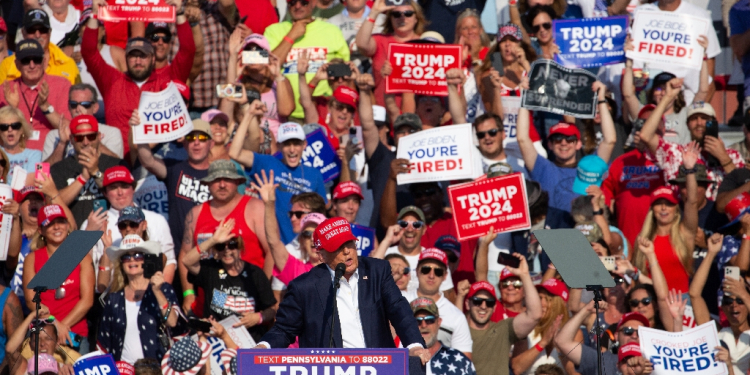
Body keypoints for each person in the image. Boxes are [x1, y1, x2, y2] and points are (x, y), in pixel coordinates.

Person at [255, 217, 431, 364]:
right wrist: (264, 346)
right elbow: (284, 330)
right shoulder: (304, 287)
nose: (347, 252)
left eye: (349, 243)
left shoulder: (377, 271)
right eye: (338, 247)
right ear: (321, 255)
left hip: (378, 367)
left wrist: (414, 346)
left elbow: (399, 310)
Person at [82, 0, 192, 156]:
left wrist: (180, 14)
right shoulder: (112, 80)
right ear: (126, 58)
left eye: (143, 56)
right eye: (133, 56)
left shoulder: (168, 80)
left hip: (155, 164)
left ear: (153, 59)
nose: (138, 61)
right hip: (117, 161)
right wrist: (94, 14)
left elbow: (188, 51)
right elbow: (89, 53)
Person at [179, 159, 270, 316]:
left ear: (237, 181)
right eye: (216, 180)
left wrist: (263, 291)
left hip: (248, 304)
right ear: (207, 184)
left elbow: (272, 251)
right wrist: (188, 294)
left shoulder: (255, 207)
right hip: (210, 308)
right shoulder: (195, 213)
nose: (222, 185)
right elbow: (184, 256)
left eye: (227, 179)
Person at [516, 80, 616, 213]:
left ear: (578, 144)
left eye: (569, 139)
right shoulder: (542, 168)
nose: (564, 143)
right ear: (550, 145)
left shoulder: (590, 167)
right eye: (557, 139)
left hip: (583, 230)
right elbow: (522, 139)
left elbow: (610, 140)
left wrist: (601, 100)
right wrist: (524, 98)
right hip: (555, 232)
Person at [228, 111, 327, 245]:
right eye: (287, 144)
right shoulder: (269, 163)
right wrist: (248, 114)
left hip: (305, 247)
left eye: (296, 143)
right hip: (274, 245)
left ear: (304, 145)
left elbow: (322, 214)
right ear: (279, 146)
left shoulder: (314, 174)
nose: (292, 150)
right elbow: (234, 153)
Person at [639, 80, 744, 200]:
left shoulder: (733, 155)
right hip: (682, 216)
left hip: (719, 217)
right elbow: (645, 136)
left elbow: (743, 188)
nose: (699, 123)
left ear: (714, 123)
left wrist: (723, 158)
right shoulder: (676, 153)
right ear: (687, 124)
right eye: (694, 119)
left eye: (704, 118)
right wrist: (667, 98)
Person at [182, 217, 277, 342]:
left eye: (232, 244)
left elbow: (273, 308)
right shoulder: (210, 268)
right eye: (221, 246)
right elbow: (186, 261)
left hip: (247, 339)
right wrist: (213, 240)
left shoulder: (255, 273)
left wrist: (258, 317)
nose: (227, 250)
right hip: (215, 340)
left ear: (240, 246)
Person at [22, 205, 94, 352]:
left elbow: (87, 300)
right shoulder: (32, 259)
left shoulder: (82, 257)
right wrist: (54, 325)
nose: (56, 227)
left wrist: (62, 327)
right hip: (42, 336)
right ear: (41, 230)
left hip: (74, 334)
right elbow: (31, 301)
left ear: (68, 225)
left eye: (60, 222)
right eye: (50, 223)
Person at [136, 119, 213, 255]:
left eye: (202, 138)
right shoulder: (175, 168)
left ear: (211, 143)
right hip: (177, 253)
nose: (196, 142)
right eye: (190, 137)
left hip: (210, 251)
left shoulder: (217, 176)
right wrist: (139, 128)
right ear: (184, 143)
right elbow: (148, 161)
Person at [98, 235, 179, 363]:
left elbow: (173, 322)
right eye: (126, 256)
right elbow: (104, 344)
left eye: (137, 255)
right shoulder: (114, 299)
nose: (132, 260)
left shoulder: (164, 289)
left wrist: (157, 292)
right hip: (123, 371)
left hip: (157, 369)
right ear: (122, 263)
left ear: (146, 260)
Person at [264, 0, 350, 121]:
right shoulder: (272, 31)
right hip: (286, 113)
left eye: (304, 2)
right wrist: (291, 36)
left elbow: (346, 75)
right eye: (292, 2)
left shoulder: (331, 30)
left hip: (324, 112)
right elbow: (267, 67)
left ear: (313, 3)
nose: (297, 6)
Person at [632, 143, 700, 293]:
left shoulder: (685, 233)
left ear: (676, 209)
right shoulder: (644, 239)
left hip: (682, 304)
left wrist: (689, 170)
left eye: (668, 204)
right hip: (653, 304)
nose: (663, 208)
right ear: (652, 209)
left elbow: (692, 202)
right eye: (659, 204)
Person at [465, 255, 543, 375]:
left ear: (494, 306)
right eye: (477, 301)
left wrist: (525, 275)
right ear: (467, 304)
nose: (483, 306)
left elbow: (535, 315)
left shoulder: (502, 329)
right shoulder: (458, 331)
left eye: (489, 302)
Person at [690, 233, 750, 375]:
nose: (734, 306)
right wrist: (711, 253)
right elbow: (694, 294)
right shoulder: (717, 332)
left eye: (740, 301)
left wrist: (743, 293)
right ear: (722, 306)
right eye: (728, 301)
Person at [50, 114, 125, 226]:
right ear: (71, 139)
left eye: (91, 137)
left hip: (112, 232)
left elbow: (122, 198)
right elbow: (55, 206)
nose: (85, 142)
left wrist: (95, 172)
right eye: (79, 138)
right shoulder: (59, 168)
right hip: (76, 235)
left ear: (99, 137)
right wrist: (82, 178)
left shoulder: (116, 164)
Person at [0, 38, 72, 152]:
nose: (32, 65)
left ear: (44, 61)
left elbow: (69, 129)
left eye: (36, 60)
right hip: (16, 157)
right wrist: (13, 109)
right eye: (26, 61)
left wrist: (46, 107)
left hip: (51, 156)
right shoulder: (5, 90)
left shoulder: (62, 85)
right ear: (17, 64)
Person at [404, 248, 473, 358]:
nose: (431, 275)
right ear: (417, 271)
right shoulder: (399, 301)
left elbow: (464, 362)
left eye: (438, 271)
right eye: (426, 269)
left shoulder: (457, 316)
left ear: (445, 276)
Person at [355, 0, 425, 107]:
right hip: (383, 110)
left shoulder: (426, 43)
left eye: (408, 14)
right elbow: (361, 44)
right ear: (390, 19)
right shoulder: (380, 41)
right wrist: (374, 12)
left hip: (418, 111)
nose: (402, 18)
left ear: (416, 18)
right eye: (396, 14)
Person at [371, 206, 455, 294]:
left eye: (416, 225)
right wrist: (387, 240)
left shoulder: (435, 258)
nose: (410, 229)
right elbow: (369, 280)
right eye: (404, 224)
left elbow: (448, 297)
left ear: (424, 230)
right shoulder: (383, 253)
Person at [42, 83, 124, 164]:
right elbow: (41, 172)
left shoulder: (111, 132)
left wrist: (95, 139)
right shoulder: (54, 135)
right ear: (69, 107)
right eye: (73, 105)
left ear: (95, 108)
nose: (78, 109)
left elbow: (117, 165)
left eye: (85, 105)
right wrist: (62, 144)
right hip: (66, 176)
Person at [512, 279, 579, 375]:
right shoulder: (527, 329)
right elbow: (516, 368)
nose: (541, 303)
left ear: (561, 303)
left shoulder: (574, 333)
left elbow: (573, 372)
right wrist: (543, 342)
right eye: (539, 298)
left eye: (548, 299)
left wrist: (561, 347)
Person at [556, 306, 649, 375]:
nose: (634, 336)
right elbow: (562, 341)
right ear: (616, 336)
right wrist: (586, 310)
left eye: (640, 332)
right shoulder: (603, 359)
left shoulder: (656, 365)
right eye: (628, 331)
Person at [0, 9, 79, 85]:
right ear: (23, 33)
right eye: (31, 30)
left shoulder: (68, 64)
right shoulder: (8, 65)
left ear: (50, 32)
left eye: (42, 30)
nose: (37, 35)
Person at [411, 297, 477, 375]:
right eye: (417, 321)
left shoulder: (460, 361)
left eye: (429, 320)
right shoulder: (400, 360)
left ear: (439, 322)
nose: (424, 325)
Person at [0, 106, 40, 182]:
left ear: (22, 129)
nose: (10, 130)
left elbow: (30, 185)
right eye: (4, 127)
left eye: (15, 126)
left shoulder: (34, 155)